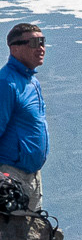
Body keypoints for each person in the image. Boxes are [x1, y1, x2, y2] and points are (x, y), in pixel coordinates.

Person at [0, 22, 49, 214]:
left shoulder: (32, 82)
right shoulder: (6, 83)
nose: (41, 48)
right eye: (35, 42)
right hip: (10, 176)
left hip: (33, 176)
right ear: (15, 48)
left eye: (43, 42)